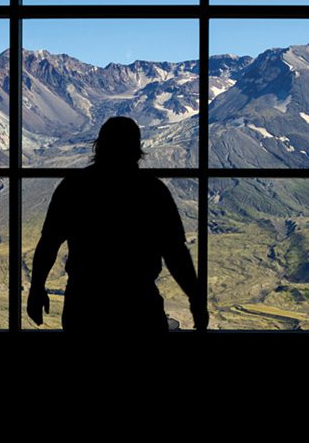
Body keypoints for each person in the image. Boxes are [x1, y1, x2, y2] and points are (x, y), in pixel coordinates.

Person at [27, 117, 208, 332]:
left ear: (99, 146)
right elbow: (175, 253)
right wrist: (196, 299)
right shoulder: (152, 190)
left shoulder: (74, 187)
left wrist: (37, 288)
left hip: (85, 303)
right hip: (139, 303)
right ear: (137, 149)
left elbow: (49, 243)